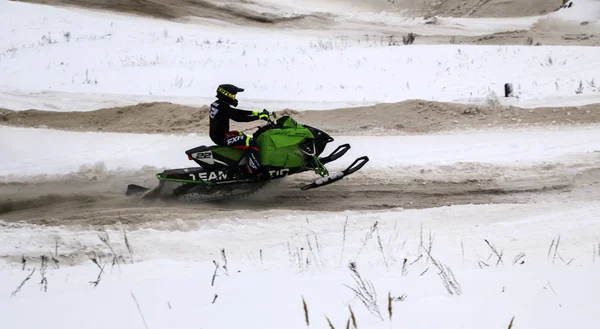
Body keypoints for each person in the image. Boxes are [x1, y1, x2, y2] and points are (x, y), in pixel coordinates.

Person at [209, 83, 270, 176]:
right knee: (251, 142)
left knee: (241, 135)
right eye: (233, 95)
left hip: (219, 135)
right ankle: (255, 172)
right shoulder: (223, 107)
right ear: (227, 94)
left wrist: (254, 112)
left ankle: (243, 163)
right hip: (221, 138)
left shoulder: (217, 104)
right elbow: (238, 117)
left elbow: (235, 112)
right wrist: (258, 117)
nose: (234, 97)